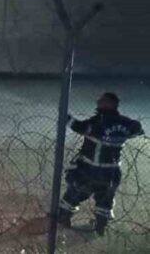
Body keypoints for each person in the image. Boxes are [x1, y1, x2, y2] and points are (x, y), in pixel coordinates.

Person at [57, 91, 144, 235]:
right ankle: (100, 226)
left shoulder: (98, 122)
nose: (98, 101)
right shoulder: (127, 123)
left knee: (75, 192)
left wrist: (65, 116)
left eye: (101, 100)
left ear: (109, 103)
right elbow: (138, 130)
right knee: (105, 199)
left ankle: (63, 217)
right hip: (112, 171)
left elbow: (80, 127)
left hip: (90, 169)